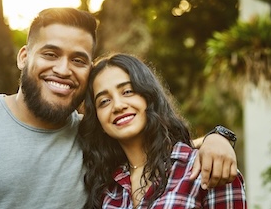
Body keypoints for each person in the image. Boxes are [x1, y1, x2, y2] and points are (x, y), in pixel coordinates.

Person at [0, 7, 237, 208]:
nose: (63, 69)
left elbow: (160, 150)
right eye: (51, 53)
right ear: (24, 56)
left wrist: (218, 137)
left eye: (79, 60)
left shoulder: (94, 141)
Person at [79, 53, 247, 208]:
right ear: (98, 119)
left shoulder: (206, 167)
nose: (117, 105)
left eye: (128, 91)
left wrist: (219, 137)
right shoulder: (107, 190)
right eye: (104, 101)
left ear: (149, 96)